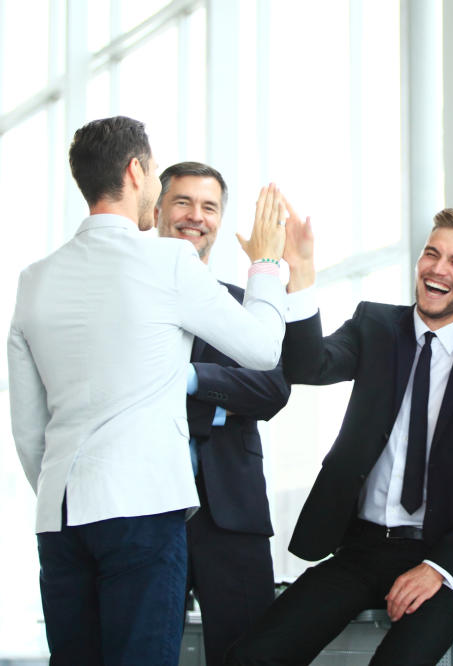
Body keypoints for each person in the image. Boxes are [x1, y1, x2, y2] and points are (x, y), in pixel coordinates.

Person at [7, 116, 291, 666]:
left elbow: (27, 427)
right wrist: (268, 263)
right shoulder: (168, 260)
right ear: (137, 172)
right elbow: (262, 351)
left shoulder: (34, 278)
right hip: (141, 507)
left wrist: (60, 486)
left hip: (59, 514)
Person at [227, 208, 453, 665]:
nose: (438, 268)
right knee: (255, 657)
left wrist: (437, 568)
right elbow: (308, 365)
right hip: (363, 548)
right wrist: (301, 275)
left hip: (446, 557)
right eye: (432, 254)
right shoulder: (375, 326)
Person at [154, 161, 291, 666]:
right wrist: (220, 407)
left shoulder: (243, 306)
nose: (196, 216)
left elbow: (273, 388)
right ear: (157, 210)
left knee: (246, 655)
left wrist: (190, 383)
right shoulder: (132, 303)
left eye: (208, 206)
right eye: (183, 202)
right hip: (150, 506)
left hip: (230, 515)